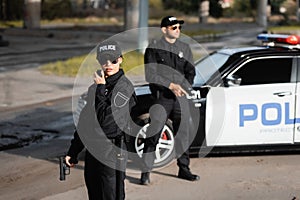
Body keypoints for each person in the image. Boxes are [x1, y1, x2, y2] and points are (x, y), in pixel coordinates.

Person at [65, 40, 136, 200]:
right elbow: (85, 123)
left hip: (112, 150)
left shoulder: (124, 88)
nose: (108, 64)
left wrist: (101, 89)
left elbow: (108, 124)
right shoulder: (96, 87)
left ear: (121, 59)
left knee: (110, 196)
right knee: (94, 194)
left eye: (113, 60)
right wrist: (73, 151)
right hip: (93, 150)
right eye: (104, 60)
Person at [140, 16, 200, 185]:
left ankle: (184, 169)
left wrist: (184, 87)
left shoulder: (184, 48)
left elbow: (191, 72)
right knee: (154, 134)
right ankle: (145, 172)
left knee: (183, 134)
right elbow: (150, 75)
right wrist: (170, 85)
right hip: (162, 98)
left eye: (179, 27)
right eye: (174, 27)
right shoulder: (153, 48)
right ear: (164, 29)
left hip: (180, 98)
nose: (178, 30)